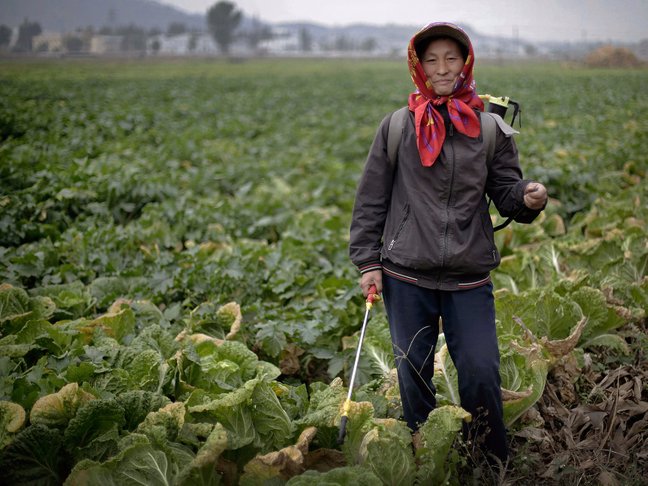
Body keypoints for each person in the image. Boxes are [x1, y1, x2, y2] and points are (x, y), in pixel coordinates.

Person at [348, 22, 547, 463]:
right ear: (418, 66)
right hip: (405, 272)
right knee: (413, 371)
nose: (442, 68)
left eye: (451, 59)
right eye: (432, 60)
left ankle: (489, 460)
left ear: (466, 63)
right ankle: (427, 457)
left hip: (468, 273)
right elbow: (371, 200)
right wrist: (367, 262)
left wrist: (529, 198)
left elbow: (507, 191)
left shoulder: (489, 128)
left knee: (479, 369)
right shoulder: (398, 127)